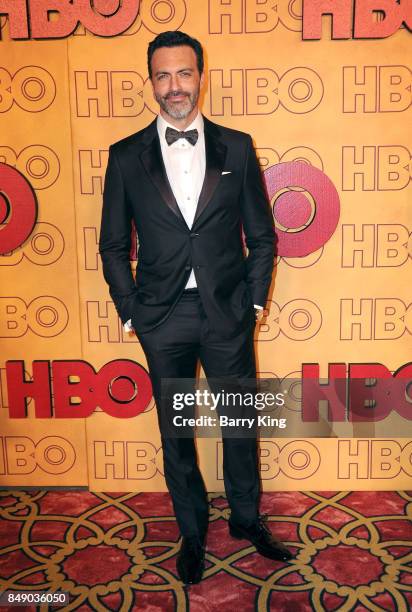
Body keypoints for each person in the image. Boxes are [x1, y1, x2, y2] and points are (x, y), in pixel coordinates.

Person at [99, 30, 292, 585]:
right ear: (151, 82)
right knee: (176, 432)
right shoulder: (125, 156)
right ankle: (191, 530)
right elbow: (113, 245)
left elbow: (262, 234)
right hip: (161, 319)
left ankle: (247, 520)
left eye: (183, 73)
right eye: (162, 75)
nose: (173, 86)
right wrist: (132, 311)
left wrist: (253, 301)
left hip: (227, 314)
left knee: (239, 423)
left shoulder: (236, 145)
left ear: (200, 76)